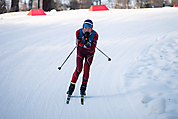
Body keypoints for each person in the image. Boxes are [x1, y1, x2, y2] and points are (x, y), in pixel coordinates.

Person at [67, 19, 99, 96]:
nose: (87, 30)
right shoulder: (78, 32)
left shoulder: (95, 35)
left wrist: (89, 45)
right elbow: (77, 44)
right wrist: (83, 42)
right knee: (78, 69)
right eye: (85, 28)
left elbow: (92, 49)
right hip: (80, 52)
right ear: (83, 27)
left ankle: (83, 88)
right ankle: (71, 87)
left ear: (92, 29)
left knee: (86, 69)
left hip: (89, 54)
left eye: (89, 28)